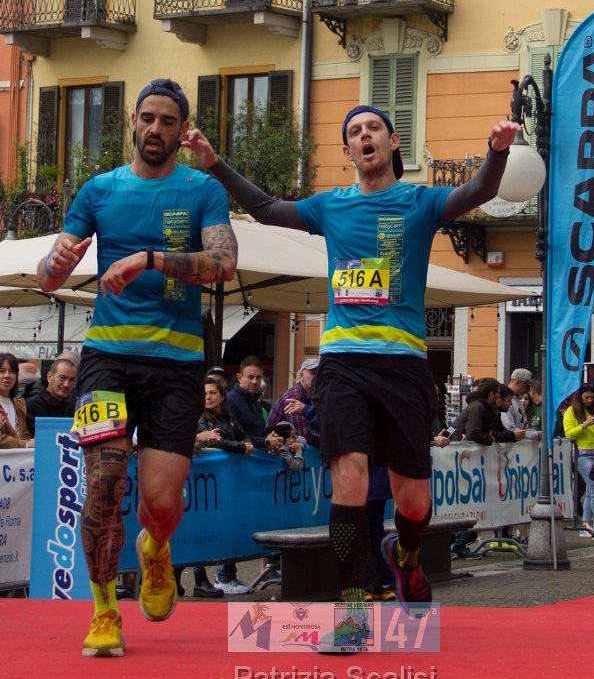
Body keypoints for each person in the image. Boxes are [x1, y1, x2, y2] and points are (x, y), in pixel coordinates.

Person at [186, 103, 519, 620]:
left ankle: (407, 557)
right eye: (355, 132)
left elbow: (477, 192)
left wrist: (496, 153)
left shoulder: (420, 201)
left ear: (392, 142)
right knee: (351, 483)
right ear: (348, 151)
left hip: (404, 365)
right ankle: (351, 607)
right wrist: (214, 163)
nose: (365, 136)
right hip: (342, 362)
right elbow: (267, 209)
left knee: (413, 503)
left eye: (373, 128)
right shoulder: (331, 206)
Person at [36, 78, 237, 659]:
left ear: (182, 129)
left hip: (178, 364)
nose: (155, 129)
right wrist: (56, 260)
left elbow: (224, 263)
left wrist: (147, 260)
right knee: (102, 485)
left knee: (161, 506)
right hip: (106, 358)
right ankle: (104, 610)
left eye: (167, 121)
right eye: (147, 118)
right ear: (132, 120)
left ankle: (155, 549)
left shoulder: (202, 190)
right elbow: (48, 278)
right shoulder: (99, 190)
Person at [191, 377, 251, 596]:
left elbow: (243, 435)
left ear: (222, 397)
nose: (208, 397)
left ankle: (223, 575)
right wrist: (240, 447)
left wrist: (247, 444)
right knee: (200, 527)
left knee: (227, 525)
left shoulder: (227, 418)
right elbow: (215, 442)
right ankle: (201, 579)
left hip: (226, 483)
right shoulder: (200, 419)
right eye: (205, 393)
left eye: (212, 393)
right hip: (203, 484)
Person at [563, 383, 594, 536]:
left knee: (590, 490)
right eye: (586, 397)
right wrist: (584, 424)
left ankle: (586, 523)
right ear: (579, 398)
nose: (589, 400)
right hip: (582, 454)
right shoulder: (571, 412)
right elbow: (568, 434)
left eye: (592, 397)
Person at [267, 358, 318, 469]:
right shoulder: (294, 396)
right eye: (312, 373)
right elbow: (305, 435)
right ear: (301, 376)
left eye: (319, 373)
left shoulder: (313, 395)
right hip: (278, 454)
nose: (316, 376)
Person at [225, 356, 283, 451]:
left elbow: (260, 431)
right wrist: (265, 441)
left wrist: (271, 436)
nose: (255, 381)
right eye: (250, 377)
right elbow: (233, 436)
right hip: (241, 458)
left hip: (258, 456)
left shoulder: (255, 400)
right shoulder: (230, 400)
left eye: (258, 377)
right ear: (239, 377)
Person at [0, 353, 32, 448]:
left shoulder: (19, 404)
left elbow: (25, 434)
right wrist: (24, 444)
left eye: (12, 371)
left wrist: (29, 442)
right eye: (1, 371)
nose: (7, 375)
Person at [24, 354, 78, 438]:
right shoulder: (33, 403)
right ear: (49, 377)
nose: (66, 384)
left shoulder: (74, 403)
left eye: (71, 380)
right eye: (62, 378)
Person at [504, 368, 538, 433]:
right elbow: (509, 429)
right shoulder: (506, 401)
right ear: (518, 383)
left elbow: (523, 427)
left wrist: (535, 433)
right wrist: (535, 435)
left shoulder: (516, 400)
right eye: (527, 386)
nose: (528, 389)